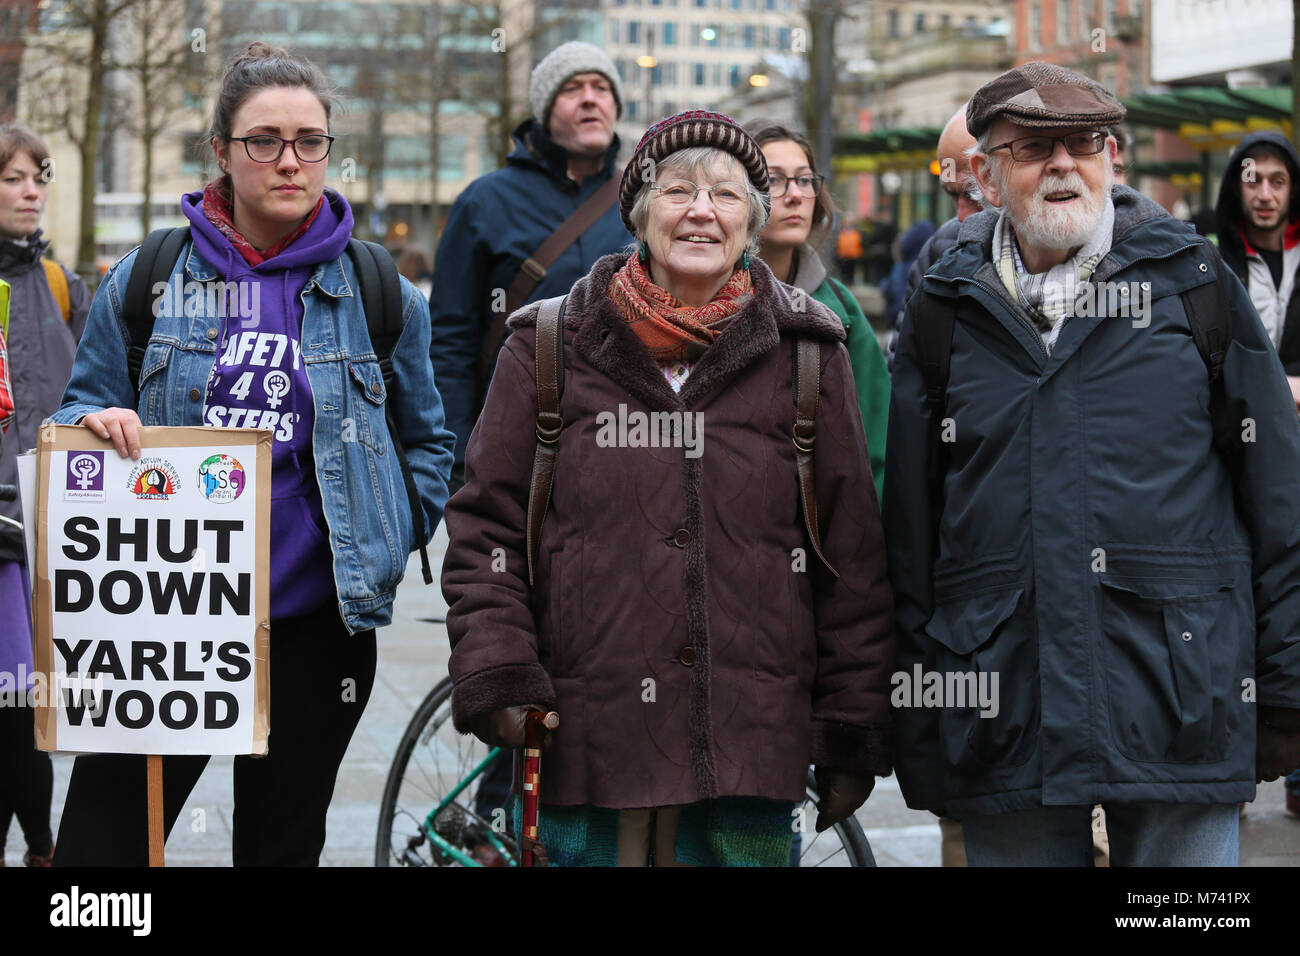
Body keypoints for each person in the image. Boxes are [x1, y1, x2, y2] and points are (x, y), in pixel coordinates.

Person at [443, 110, 894, 867]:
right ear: (638, 212)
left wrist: (853, 720)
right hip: (586, 736)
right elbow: (485, 526)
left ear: (752, 218)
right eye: (676, 189)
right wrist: (500, 667)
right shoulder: (546, 345)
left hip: (750, 743)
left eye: (724, 194)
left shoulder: (810, 351)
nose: (699, 210)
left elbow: (851, 550)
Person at [47, 42, 454, 866]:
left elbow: (430, 444)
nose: (289, 159)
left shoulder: (380, 293)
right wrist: (102, 424)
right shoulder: (148, 277)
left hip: (314, 633)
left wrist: (383, 536)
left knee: (280, 846)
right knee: (100, 852)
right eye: (263, 139)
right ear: (223, 151)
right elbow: (81, 407)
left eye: (310, 139)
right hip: (166, 625)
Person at [886, 61, 1300, 866]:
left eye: (1084, 143)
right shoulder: (942, 303)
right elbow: (910, 529)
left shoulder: (1193, 281)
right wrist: (913, 709)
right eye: (1035, 148)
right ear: (987, 173)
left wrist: (1285, 685)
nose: (1064, 165)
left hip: (1179, 698)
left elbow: (1278, 497)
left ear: (1113, 156)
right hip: (1005, 706)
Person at [429, 41, 630, 493]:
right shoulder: (484, 201)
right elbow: (450, 339)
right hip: (511, 443)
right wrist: (457, 453)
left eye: (602, 88)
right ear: (544, 109)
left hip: (624, 443)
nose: (590, 98)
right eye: (572, 88)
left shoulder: (644, 202)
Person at [0, 122, 89, 868]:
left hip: (48, 531)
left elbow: (98, 396)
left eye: (39, 178)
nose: (31, 192)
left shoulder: (64, 285)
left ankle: (40, 846)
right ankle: (41, 846)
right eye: (11, 179)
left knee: (24, 704)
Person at [745, 118, 890, 500]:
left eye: (804, 179)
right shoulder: (702, 300)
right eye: (773, 179)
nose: (794, 195)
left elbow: (877, 448)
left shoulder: (841, 309)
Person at [894, 105, 981, 336]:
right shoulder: (939, 248)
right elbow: (905, 359)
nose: (961, 215)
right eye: (952, 195)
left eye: (973, 195)